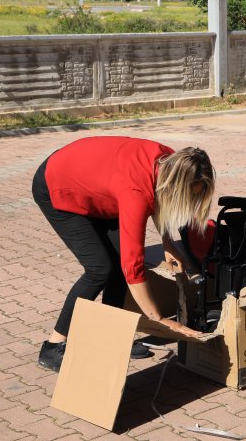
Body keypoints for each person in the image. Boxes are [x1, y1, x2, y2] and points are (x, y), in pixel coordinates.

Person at [32, 136, 213, 371]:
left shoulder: (171, 160)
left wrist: (168, 242)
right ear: (176, 185)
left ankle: (110, 336)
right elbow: (133, 267)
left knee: (115, 263)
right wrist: (158, 320)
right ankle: (53, 346)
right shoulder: (136, 192)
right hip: (58, 185)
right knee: (101, 268)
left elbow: (162, 200)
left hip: (97, 183)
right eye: (189, 195)